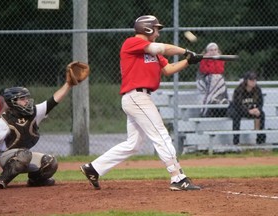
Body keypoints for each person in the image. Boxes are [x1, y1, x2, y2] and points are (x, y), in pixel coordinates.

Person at [80, 15, 202, 191]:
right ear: (147, 28)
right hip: (136, 97)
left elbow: (167, 69)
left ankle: (94, 168)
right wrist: (185, 51)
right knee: (161, 134)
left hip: (139, 98)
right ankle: (177, 177)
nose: (158, 33)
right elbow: (161, 48)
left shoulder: (152, 52)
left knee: (133, 144)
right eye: (156, 29)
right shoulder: (132, 42)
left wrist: (188, 61)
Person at [0, 82, 73, 189]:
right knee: (25, 154)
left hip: (24, 155)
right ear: (13, 102)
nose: (27, 100)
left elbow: (53, 101)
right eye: (22, 98)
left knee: (50, 162)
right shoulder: (4, 120)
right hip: (6, 157)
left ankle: (35, 180)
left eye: (26, 98)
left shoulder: (34, 113)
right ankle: (2, 179)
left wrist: (68, 84)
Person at [227, 71, 266, 145]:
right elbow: (237, 105)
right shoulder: (239, 90)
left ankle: (260, 141)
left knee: (262, 114)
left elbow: (261, 103)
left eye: (254, 79)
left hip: (250, 110)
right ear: (246, 80)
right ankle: (236, 142)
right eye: (251, 80)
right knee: (236, 115)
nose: (253, 81)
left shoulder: (257, 89)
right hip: (236, 110)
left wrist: (258, 109)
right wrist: (248, 111)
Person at [197, 42, 229, 117]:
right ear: (207, 52)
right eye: (211, 50)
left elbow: (219, 70)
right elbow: (206, 71)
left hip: (215, 82)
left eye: (215, 50)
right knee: (215, 77)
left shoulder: (220, 59)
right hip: (203, 81)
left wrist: (216, 60)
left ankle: (210, 100)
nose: (213, 52)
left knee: (217, 77)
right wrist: (211, 60)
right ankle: (218, 98)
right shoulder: (203, 59)